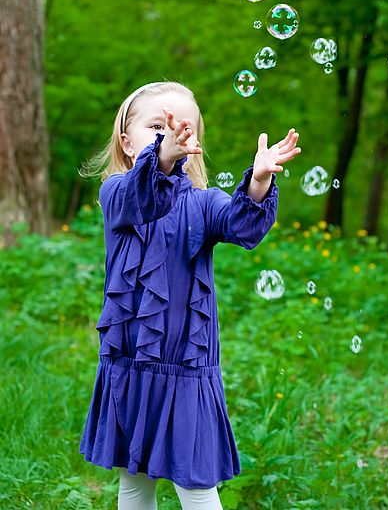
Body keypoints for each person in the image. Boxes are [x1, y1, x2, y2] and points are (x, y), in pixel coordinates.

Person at [78, 81, 302, 509]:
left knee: (196, 485)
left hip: (186, 365)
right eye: (157, 125)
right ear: (126, 142)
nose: (170, 133)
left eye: (181, 126)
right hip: (131, 361)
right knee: (134, 481)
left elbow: (241, 223)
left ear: (195, 141)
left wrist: (257, 180)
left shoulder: (203, 203)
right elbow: (143, 194)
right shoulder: (118, 195)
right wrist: (161, 159)